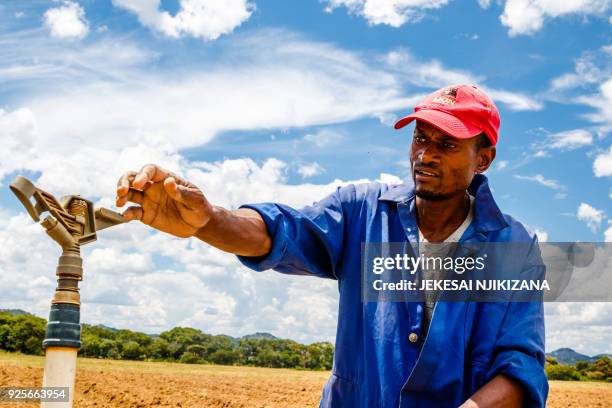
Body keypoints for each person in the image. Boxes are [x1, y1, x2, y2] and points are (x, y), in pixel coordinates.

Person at [116, 84, 548, 407]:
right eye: (421, 138)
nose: (425, 155)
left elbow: (520, 365)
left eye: (447, 144)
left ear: (484, 158)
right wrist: (210, 221)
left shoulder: (514, 248)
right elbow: (283, 232)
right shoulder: (362, 211)